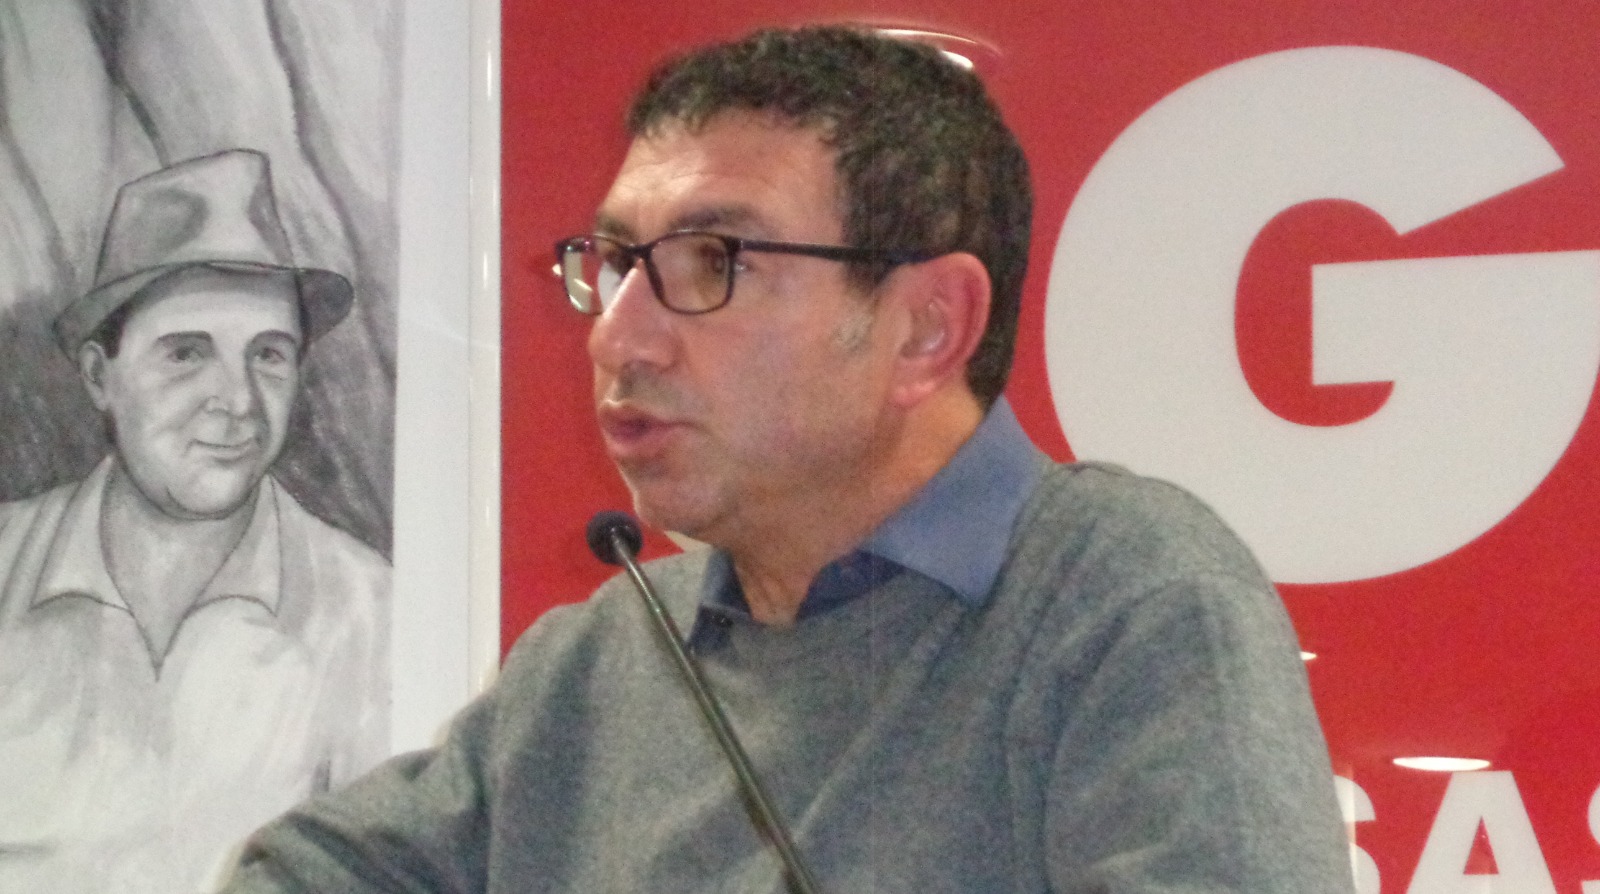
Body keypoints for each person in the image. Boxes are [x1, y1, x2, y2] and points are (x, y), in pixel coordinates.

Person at [222, 26, 1353, 894]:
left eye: (712, 261)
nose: (618, 336)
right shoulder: (603, 655)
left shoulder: (1124, 596)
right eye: (615, 263)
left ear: (926, 328)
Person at [0, 149, 390, 894]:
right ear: (99, 376)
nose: (237, 401)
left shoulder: (371, 614)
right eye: (186, 354)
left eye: (269, 355)